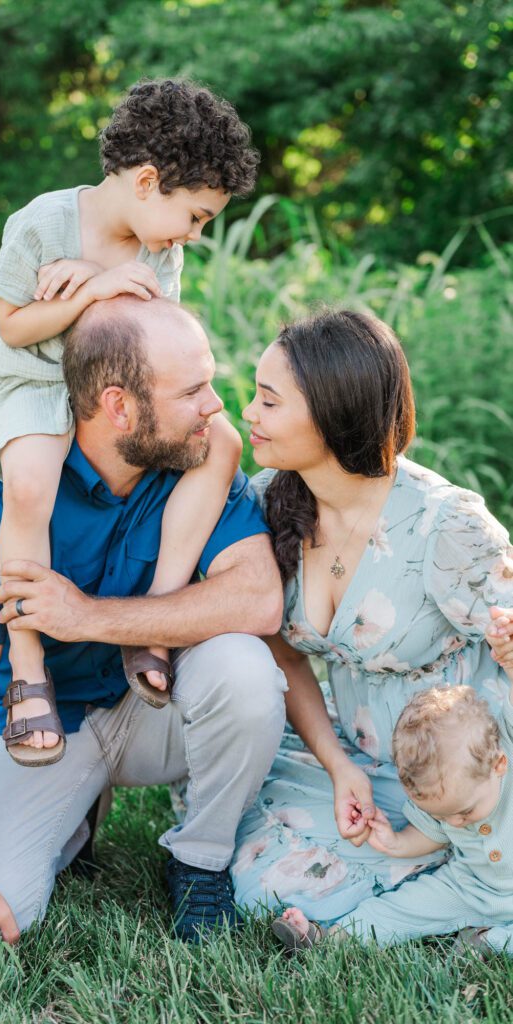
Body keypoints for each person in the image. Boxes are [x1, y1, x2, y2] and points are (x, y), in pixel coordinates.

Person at [0, 296, 287, 956]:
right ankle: (76, 815)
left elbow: (258, 599)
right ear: (119, 406)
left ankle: (200, 864)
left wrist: (86, 616)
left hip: (154, 706)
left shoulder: (200, 460)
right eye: (193, 389)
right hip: (43, 728)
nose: (215, 405)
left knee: (243, 667)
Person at [0, 78, 258, 765]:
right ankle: (27, 666)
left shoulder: (161, 250)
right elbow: (12, 327)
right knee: (30, 484)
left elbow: (153, 338)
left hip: (120, 393)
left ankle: (154, 622)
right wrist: (94, 290)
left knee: (220, 442)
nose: (195, 234)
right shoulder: (41, 225)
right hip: (39, 381)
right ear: (146, 181)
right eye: (194, 216)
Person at [230, 308, 513, 926]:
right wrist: (336, 765)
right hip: (358, 754)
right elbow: (283, 652)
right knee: (262, 881)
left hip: (465, 764)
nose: (248, 413)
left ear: (334, 413)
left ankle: (464, 858)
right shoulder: (269, 501)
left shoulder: (446, 527)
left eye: (269, 401)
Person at [273, 650, 513, 956]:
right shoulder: (443, 798)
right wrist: (395, 842)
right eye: (443, 816)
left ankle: (490, 942)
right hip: (471, 887)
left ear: (499, 764)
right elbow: (429, 835)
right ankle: (329, 938)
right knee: (398, 909)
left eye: (465, 812)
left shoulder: (507, 744)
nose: (454, 823)